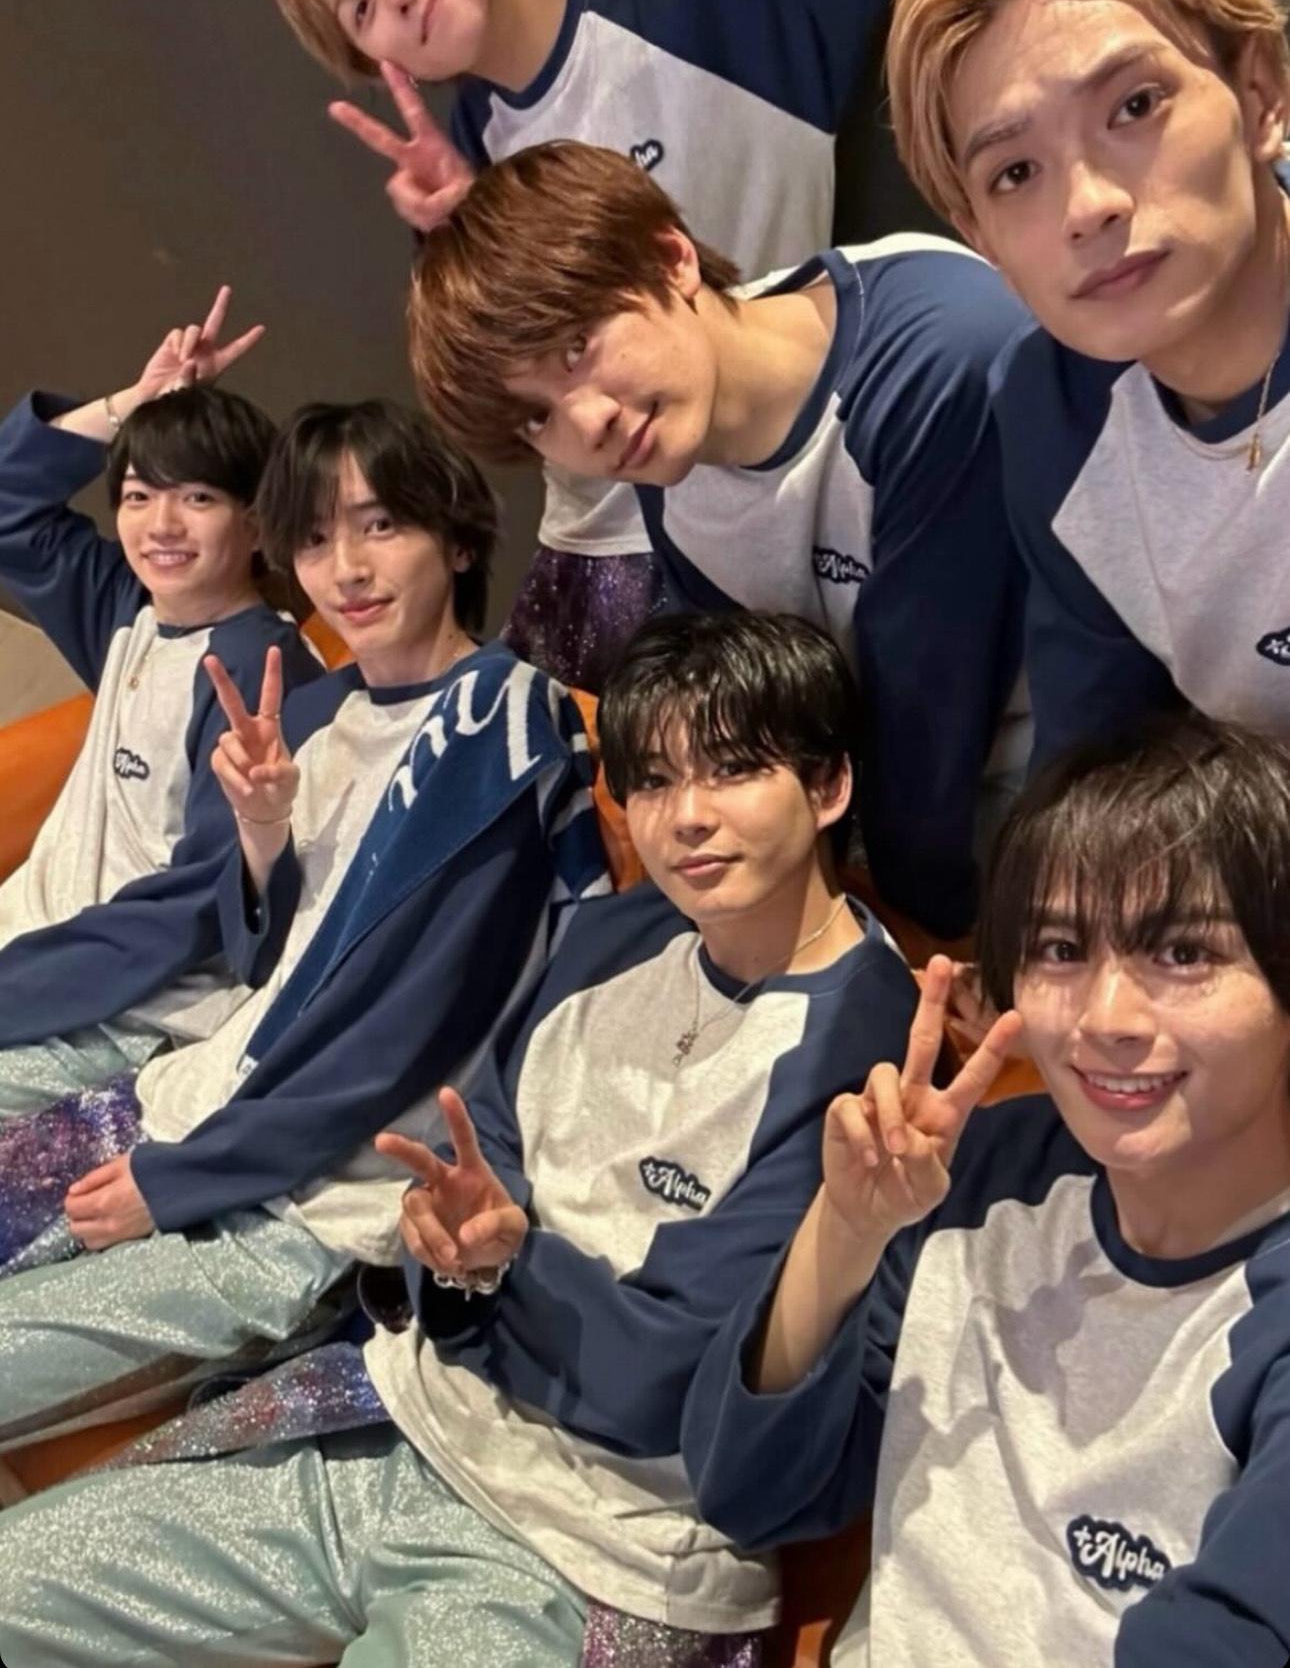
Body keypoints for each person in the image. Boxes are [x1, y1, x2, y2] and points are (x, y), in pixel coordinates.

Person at [0, 611, 919, 1667]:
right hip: (394, 1415)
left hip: (597, 1552)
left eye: (735, 770)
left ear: (828, 786)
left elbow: (670, 1384)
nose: (689, 818)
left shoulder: (872, 1052)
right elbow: (468, 1166)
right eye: (657, 782)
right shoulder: (617, 935)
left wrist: (507, 1265)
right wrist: (465, 1251)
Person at [0, 399, 608, 1450]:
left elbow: (399, 1034)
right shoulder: (321, 713)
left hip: (306, 1199)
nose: (347, 569)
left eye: (381, 526)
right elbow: (259, 963)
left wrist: (182, 1179)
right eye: (317, 538)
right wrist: (261, 833)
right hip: (187, 1100)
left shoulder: (498, 723)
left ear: (460, 539)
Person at [262, 0, 925, 687]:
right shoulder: (469, 155)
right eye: (360, 9)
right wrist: (461, 237)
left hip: (761, 506)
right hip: (594, 546)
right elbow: (506, 411)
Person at [685, 712, 1290, 1666]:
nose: (1107, 1017)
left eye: (1183, 953)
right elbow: (749, 1490)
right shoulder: (981, 1172)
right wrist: (847, 1227)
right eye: (1060, 949)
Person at [408, 138, 1029, 941]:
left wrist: (902, 944)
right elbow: (780, 712)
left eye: (579, 347)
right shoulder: (665, 454)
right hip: (885, 820)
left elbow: (931, 725)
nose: (588, 421)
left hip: (1049, 793)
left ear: (672, 259)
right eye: (537, 416)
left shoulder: (935, 357)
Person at [885, 0, 1290, 772]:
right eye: (1015, 173)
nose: (1088, 206)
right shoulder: (1051, 415)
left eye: (1134, 106)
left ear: (1260, 94)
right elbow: (1101, 777)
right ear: (981, 237)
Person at [0, 287, 322, 1114]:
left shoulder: (263, 670)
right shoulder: (130, 611)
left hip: (123, 1010)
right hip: (34, 954)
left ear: (258, 523)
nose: (161, 524)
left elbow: (189, 917)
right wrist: (134, 403)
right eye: (139, 495)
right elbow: (8, 505)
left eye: (198, 497)